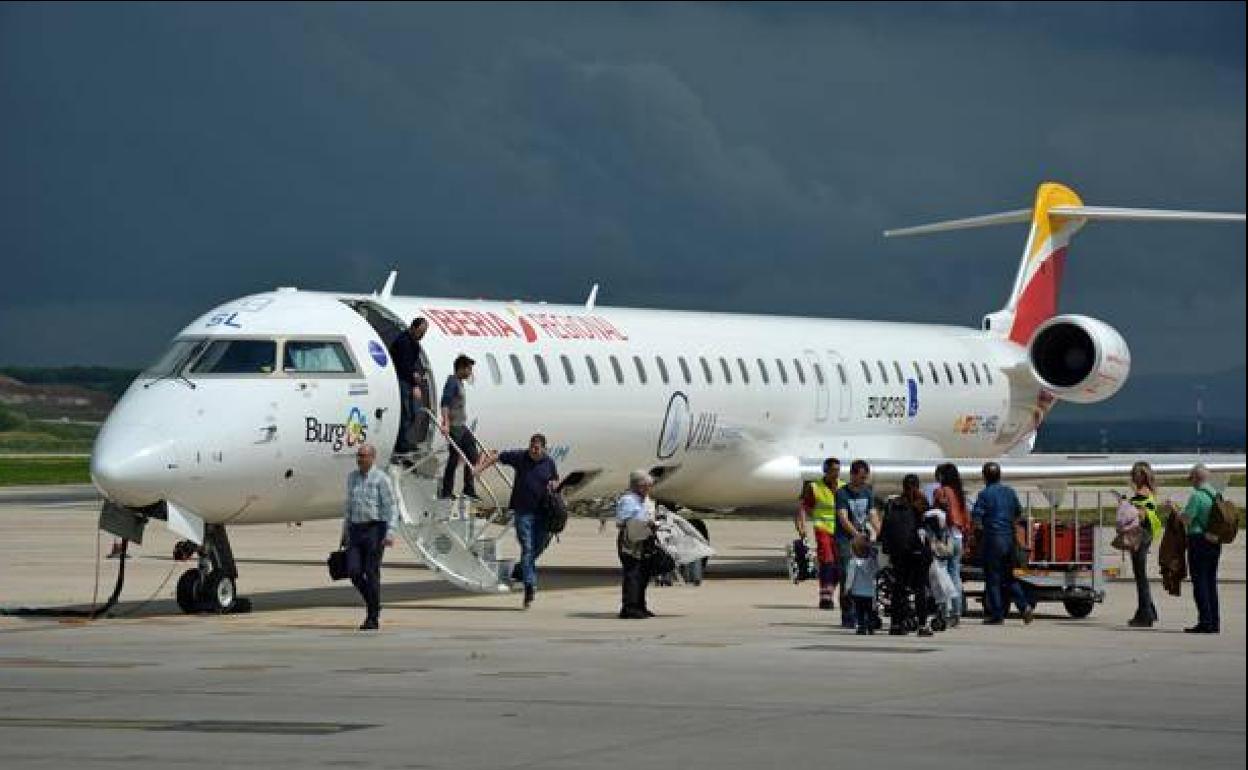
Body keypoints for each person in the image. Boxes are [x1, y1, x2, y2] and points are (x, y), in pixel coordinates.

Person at [476, 434, 560, 609]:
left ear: (544, 448)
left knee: (539, 546)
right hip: (523, 512)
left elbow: (555, 479)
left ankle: (520, 570)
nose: (533, 450)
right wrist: (480, 468)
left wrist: (554, 485)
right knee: (527, 548)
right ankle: (530, 586)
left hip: (542, 514)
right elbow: (497, 456)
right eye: (531, 446)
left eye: (537, 448)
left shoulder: (549, 462)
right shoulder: (520, 457)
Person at [340, 443, 400, 630]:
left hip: (375, 529)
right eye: (358, 455)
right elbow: (349, 506)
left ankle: (372, 617)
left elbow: (391, 507)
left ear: (373, 458)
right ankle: (374, 603)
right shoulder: (352, 478)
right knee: (354, 571)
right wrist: (345, 531)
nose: (360, 459)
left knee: (371, 571)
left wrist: (390, 532)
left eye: (363, 456)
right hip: (356, 529)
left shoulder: (381, 479)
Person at [971, 462, 1034, 626]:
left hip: (993, 540)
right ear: (999, 475)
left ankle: (997, 614)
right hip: (1009, 541)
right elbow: (1018, 513)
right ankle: (1024, 607)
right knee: (1009, 578)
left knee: (993, 579)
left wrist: (977, 539)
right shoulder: (1010, 492)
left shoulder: (984, 495)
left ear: (984, 476)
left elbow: (977, 519)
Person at [881, 474, 934, 636]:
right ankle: (923, 625)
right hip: (916, 551)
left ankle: (896, 624)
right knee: (920, 588)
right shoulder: (920, 504)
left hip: (898, 552)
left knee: (898, 587)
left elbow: (884, 530)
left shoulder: (893, 504)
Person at [835, 460, 881, 628]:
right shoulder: (842, 493)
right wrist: (856, 535)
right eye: (861, 477)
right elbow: (843, 517)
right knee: (847, 574)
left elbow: (873, 515)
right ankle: (847, 614)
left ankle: (864, 612)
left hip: (863, 539)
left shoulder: (867, 492)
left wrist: (881, 532)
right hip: (845, 539)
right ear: (853, 475)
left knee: (865, 575)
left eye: (865, 477)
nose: (863, 480)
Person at [795, 457, 844, 610]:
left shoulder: (843, 487)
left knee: (839, 564)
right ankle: (825, 597)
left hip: (841, 530)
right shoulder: (815, 487)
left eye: (837, 470)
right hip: (822, 528)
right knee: (827, 561)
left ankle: (830, 590)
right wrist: (802, 528)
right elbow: (804, 508)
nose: (835, 474)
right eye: (832, 470)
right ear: (825, 471)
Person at [1178, 464, 1221, 634]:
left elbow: (1187, 520)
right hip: (1214, 541)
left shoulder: (1197, 496)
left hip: (1199, 541)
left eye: (1192, 479)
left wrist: (1176, 511)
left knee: (1200, 583)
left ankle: (1205, 622)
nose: (1191, 483)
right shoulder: (1215, 494)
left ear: (1197, 478)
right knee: (1211, 583)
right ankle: (1214, 621)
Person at [616, 470, 657, 619]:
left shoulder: (645, 500)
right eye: (644, 486)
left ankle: (640, 605)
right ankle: (629, 607)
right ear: (636, 486)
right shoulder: (628, 500)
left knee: (643, 573)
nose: (647, 489)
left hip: (644, 539)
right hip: (630, 540)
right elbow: (622, 520)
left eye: (648, 486)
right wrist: (644, 521)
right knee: (632, 573)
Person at [932, 463, 970, 620]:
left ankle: (945, 610)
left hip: (945, 537)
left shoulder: (941, 492)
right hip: (958, 537)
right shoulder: (959, 493)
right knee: (955, 574)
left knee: (942, 575)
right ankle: (957, 610)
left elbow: (937, 513)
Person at [1126, 461, 1162, 628]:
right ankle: (1148, 610)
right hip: (1147, 535)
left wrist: (1126, 506)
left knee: (1140, 577)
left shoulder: (1141, 494)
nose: (1132, 476)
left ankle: (1145, 614)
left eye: (1135, 473)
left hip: (1139, 536)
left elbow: (1139, 516)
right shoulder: (1150, 492)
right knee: (1141, 576)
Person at [439, 355, 479, 499]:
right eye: (468, 368)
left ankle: (469, 488)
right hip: (454, 426)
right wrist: (446, 423)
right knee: (454, 458)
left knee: (473, 455)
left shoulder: (460, 383)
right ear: (461, 368)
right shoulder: (452, 382)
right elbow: (444, 403)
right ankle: (446, 491)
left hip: (462, 426)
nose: (470, 372)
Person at [387, 318, 429, 454]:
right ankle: (401, 444)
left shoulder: (414, 344)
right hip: (402, 380)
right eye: (421, 331)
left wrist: (415, 374)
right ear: (413, 328)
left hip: (407, 379)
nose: (422, 335)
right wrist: (414, 383)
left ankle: (403, 441)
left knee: (410, 413)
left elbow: (410, 364)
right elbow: (403, 366)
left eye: (424, 332)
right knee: (406, 413)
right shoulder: (404, 342)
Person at [845, 535, 879, 635]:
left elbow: (850, 577)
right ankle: (871, 626)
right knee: (869, 610)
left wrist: (847, 588)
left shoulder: (853, 562)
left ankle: (861, 626)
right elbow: (876, 571)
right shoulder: (871, 562)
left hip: (857, 592)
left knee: (859, 611)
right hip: (869, 592)